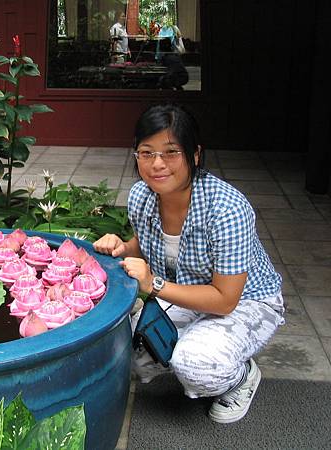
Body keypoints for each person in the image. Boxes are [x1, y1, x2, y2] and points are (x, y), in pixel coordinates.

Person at [93, 104, 285, 424]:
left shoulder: (227, 209)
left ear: (195, 155)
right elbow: (151, 243)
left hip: (246, 301)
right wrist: (122, 248)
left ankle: (241, 378)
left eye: (171, 152)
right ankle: (186, 338)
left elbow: (225, 300)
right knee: (126, 356)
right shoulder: (142, 194)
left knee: (196, 365)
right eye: (146, 152)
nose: (157, 164)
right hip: (188, 289)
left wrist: (153, 284)